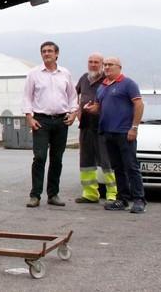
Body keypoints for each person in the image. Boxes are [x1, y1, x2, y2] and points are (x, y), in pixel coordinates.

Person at [84, 56, 146, 213]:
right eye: (105, 65)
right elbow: (98, 107)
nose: (106, 67)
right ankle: (122, 199)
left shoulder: (128, 84)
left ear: (119, 67)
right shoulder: (102, 86)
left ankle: (139, 199)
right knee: (117, 167)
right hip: (108, 132)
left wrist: (134, 127)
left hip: (124, 132)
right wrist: (90, 109)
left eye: (110, 65)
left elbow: (138, 104)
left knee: (131, 166)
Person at [22, 41, 78, 207]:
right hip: (41, 120)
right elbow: (27, 97)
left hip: (61, 120)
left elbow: (72, 96)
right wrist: (29, 117)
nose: (46, 54)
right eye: (44, 51)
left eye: (49, 51)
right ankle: (35, 195)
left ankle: (53, 194)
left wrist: (74, 113)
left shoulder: (65, 74)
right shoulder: (33, 74)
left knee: (57, 158)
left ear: (57, 54)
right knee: (39, 157)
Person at [74, 53, 118, 204]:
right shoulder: (83, 79)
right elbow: (74, 95)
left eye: (96, 62)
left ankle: (112, 194)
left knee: (106, 161)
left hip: (103, 126)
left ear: (102, 64)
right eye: (90, 62)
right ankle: (90, 194)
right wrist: (78, 111)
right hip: (85, 125)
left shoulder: (107, 80)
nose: (93, 64)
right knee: (86, 161)